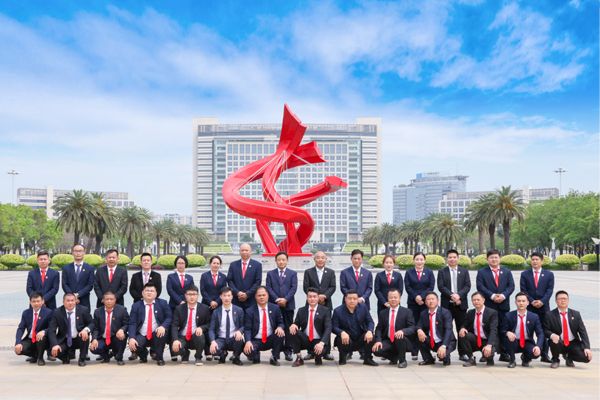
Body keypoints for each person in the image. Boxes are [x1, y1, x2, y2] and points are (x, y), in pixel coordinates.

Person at [476, 249, 515, 361]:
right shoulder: (482, 272)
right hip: (489, 305)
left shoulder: (506, 271)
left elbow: (511, 286)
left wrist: (503, 295)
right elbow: (480, 286)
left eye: (496, 257)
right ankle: (486, 354)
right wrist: (492, 296)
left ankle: (504, 353)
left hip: (503, 305)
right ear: (487, 259)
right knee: (487, 329)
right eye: (491, 257)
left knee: (503, 329)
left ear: (499, 258)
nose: (494, 259)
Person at [520, 252, 554, 362]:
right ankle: (527, 354)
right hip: (530, 307)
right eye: (533, 259)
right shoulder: (525, 274)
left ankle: (544, 354)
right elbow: (523, 290)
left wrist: (542, 301)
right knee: (528, 330)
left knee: (544, 330)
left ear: (542, 261)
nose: (534, 261)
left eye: (537, 259)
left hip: (544, 308)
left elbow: (549, 290)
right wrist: (531, 301)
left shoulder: (549, 274)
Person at [437, 249, 471, 360]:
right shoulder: (442, 271)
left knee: (461, 328)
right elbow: (441, 287)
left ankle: (462, 353)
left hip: (461, 304)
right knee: (446, 328)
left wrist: (459, 295)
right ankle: (446, 351)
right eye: (450, 257)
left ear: (458, 258)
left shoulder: (464, 271)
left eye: (454, 257)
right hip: (447, 305)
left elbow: (467, 286)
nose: (452, 259)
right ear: (447, 259)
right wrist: (452, 295)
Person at [544, 290, 592, 368]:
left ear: (568, 300)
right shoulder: (549, 315)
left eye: (565, 298)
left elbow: (583, 332)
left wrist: (587, 347)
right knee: (554, 341)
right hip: (559, 342)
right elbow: (545, 330)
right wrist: (552, 335)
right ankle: (555, 360)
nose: (563, 300)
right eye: (560, 299)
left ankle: (569, 357)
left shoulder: (576, 314)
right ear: (556, 301)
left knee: (587, 357)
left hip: (573, 342)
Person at [302, 250, 336, 361]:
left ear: (326, 259)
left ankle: (327, 352)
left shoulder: (330, 272)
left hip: (326, 303)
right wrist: (316, 297)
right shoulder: (308, 272)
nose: (320, 259)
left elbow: (333, 287)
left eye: (322, 257)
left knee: (326, 327)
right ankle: (310, 352)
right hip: (311, 303)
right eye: (318, 257)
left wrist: (324, 296)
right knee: (310, 326)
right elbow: (306, 287)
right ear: (314, 259)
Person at [128, 283, 172, 366]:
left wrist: (163, 326)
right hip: (142, 334)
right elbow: (132, 323)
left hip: (157, 333)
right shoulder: (136, 306)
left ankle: (160, 358)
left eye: (152, 291)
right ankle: (143, 355)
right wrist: (131, 338)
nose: (149, 292)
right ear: (142, 293)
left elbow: (169, 317)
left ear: (156, 293)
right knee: (134, 345)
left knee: (161, 334)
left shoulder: (163, 303)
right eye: (147, 290)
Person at [265, 251, 297, 361]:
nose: (281, 262)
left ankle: (288, 350)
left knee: (288, 328)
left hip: (288, 305)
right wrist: (277, 299)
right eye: (279, 260)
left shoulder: (293, 273)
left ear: (287, 261)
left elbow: (293, 288)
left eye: (283, 260)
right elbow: (268, 288)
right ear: (276, 261)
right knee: (275, 327)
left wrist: (285, 299)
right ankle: (276, 351)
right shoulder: (270, 274)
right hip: (274, 305)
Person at [332, 290, 378, 366]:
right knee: (340, 338)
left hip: (360, 339)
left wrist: (370, 331)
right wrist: (341, 332)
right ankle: (342, 358)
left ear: (357, 299)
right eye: (349, 298)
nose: (352, 301)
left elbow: (370, 321)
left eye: (354, 299)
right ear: (345, 299)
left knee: (371, 336)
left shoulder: (363, 307)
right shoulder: (338, 311)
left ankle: (368, 359)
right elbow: (333, 327)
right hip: (347, 340)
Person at [288, 287, 332, 367]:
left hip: (319, 341)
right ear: (307, 298)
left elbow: (328, 328)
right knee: (293, 331)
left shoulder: (325, 310)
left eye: (314, 296)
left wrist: (322, 343)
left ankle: (318, 357)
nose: (312, 299)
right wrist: (294, 325)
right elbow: (297, 323)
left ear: (318, 298)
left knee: (319, 353)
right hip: (306, 339)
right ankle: (299, 358)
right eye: (310, 297)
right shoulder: (301, 310)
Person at [372, 288, 415, 368]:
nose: (393, 299)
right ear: (388, 299)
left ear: (399, 298)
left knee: (399, 336)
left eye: (395, 297)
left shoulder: (407, 312)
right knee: (376, 350)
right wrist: (378, 341)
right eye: (391, 297)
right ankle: (394, 357)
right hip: (389, 340)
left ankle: (402, 361)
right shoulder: (383, 313)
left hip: (403, 341)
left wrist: (403, 331)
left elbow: (412, 327)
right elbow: (379, 329)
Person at [48, 293, 93, 367]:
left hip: (78, 338)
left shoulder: (83, 310)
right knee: (53, 351)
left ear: (76, 301)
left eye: (72, 300)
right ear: (63, 302)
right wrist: (55, 344)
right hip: (64, 339)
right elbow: (51, 330)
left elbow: (91, 323)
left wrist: (86, 329)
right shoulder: (57, 312)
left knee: (85, 335)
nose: (70, 303)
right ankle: (65, 358)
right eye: (68, 301)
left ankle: (82, 359)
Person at [243, 286, 285, 366]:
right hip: (256, 340)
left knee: (280, 334)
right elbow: (247, 329)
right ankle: (255, 354)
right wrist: (248, 341)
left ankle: (274, 357)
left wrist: (280, 327)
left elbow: (281, 322)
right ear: (255, 297)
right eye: (259, 295)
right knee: (248, 351)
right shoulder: (249, 311)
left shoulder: (275, 308)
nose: (261, 297)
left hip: (270, 338)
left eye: (263, 295)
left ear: (268, 296)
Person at [404, 252, 435, 359]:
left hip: (425, 303)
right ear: (413, 261)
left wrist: (422, 297)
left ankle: (426, 351)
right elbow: (408, 287)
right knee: (413, 325)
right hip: (413, 303)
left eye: (421, 259)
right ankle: (414, 350)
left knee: (425, 326)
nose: (419, 261)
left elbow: (431, 287)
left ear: (424, 261)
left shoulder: (429, 272)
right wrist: (416, 297)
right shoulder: (409, 272)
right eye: (417, 259)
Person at [170, 285, 211, 366]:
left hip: (196, 336)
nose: (192, 297)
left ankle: (198, 357)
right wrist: (175, 340)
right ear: (185, 295)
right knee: (175, 349)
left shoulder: (205, 308)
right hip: (182, 336)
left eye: (194, 294)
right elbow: (174, 325)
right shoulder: (179, 308)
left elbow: (209, 324)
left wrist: (201, 328)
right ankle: (185, 353)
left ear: (198, 295)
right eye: (189, 294)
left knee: (200, 336)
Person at [501, 292, 544, 368]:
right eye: (519, 301)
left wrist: (538, 346)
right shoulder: (509, 315)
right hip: (513, 341)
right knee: (509, 340)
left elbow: (540, 333)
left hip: (527, 342)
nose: (521, 303)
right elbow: (502, 330)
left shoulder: (534, 317)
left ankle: (525, 358)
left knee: (535, 353)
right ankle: (512, 360)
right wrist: (507, 333)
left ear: (528, 302)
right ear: (515, 302)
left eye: (523, 301)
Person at [458, 291, 499, 367]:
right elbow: (465, 324)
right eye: (474, 300)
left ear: (483, 300)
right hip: (476, 339)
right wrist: (462, 328)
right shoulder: (470, 312)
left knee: (489, 358)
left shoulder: (492, 313)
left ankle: (489, 358)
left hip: (487, 340)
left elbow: (493, 330)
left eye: (478, 300)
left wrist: (489, 345)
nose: (476, 302)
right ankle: (471, 359)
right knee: (462, 335)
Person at [416, 292, 456, 366]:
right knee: (418, 336)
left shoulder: (445, 312)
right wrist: (419, 330)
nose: (431, 301)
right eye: (428, 299)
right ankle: (428, 359)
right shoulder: (423, 313)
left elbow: (448, 330)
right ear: (425, 302)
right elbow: (418, 325)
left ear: (438, 301)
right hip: (432, 341)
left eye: (433, 299)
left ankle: (445, 355)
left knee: (444, 359)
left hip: (445, 341)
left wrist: (444, 346)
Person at [90, 291, 129, 365]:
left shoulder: (122, 310)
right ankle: (106, 356)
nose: (109, 301)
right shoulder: (97, 312)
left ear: (115, 300)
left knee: (123, 336)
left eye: (111, 299)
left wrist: (122, 329)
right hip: (103, 338)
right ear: (103, 300)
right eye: (107, 299)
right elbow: (95, 328)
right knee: (94, 348)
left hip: (115, 337)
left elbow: (127, 323)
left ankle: (119, 357)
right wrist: (94, 339)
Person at [208, 287, 245, 365]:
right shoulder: (216, 312)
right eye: (224, 295)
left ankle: (236, 357)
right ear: (221, 297)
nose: (226, 298)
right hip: (221, 339)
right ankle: (223, 354)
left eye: (228, 295)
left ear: (232, 297)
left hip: (233, 338)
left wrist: (240, 331)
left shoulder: (239, 310)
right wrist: (213, 341)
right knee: (213, 350)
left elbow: (243, 325)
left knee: (240, 340)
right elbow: (211, 329)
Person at [14, 292, 53, 365]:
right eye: (33, 301)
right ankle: (35, 355)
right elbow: (21, 328)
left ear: (42, 301)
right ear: (30, 302)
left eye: (38, 301)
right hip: (30, 339)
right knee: (18, 350)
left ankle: (40, 358)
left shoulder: (48, 312)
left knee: (41, 338)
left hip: (42, 339)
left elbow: (52, 327)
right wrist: (18, 342)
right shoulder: (26, 313)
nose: (36, 303)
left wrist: (44, 331)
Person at [227, 243, 262, 310]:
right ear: (239, 252)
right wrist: (237, 293)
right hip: (236, 300)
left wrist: (247, 294)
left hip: (251, 300)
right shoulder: (233, 265)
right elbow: (229, 281)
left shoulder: (257, 265)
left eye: (246, 250)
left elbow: (258, 282)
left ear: (250, 251)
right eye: (242, 250)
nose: (244, 252)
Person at [61, 244, 95, 311]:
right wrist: (72, 296)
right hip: (69, 301)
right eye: (76, 251)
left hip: (84, 300)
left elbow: (90, 285)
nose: (78, 253)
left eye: (80, 251)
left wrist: (78, 295)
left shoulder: (90, 268)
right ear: (72, 252)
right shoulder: (66, 268)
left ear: (84, 252)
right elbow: (64, 284)